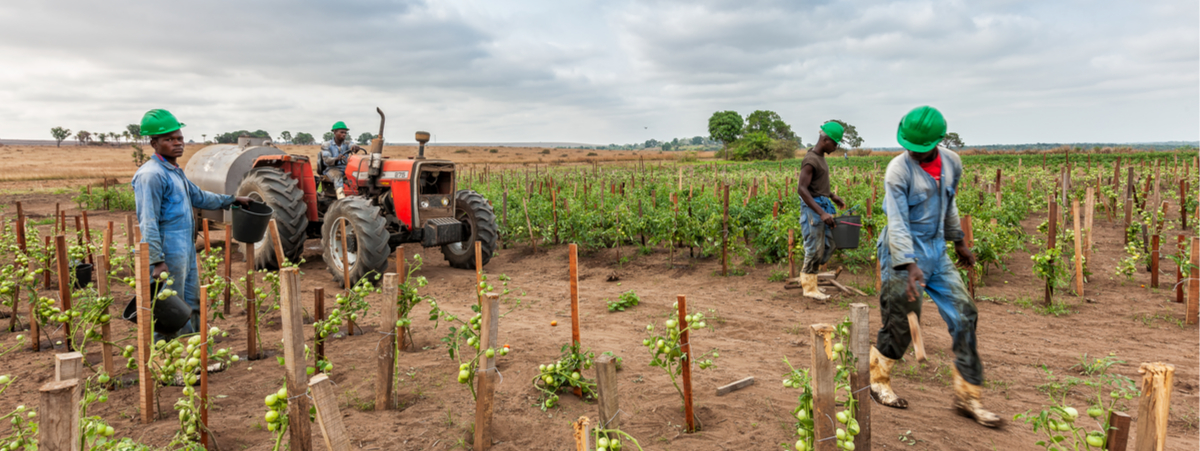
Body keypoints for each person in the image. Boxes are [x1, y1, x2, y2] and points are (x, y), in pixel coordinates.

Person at [869, 106, 1000, 427]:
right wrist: (909, 264)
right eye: (908, 145)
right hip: (902, 253)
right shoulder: (897, 171)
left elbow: (949, 203)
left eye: (919, 147)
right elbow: (897, 223)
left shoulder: (952, 162)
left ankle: (968, 396)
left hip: (936, 250)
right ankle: (878, 381)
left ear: (938, 142)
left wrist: (958, 242)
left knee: (965, 313)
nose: (912, 151)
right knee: (901, 321)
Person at [132, 109, 251, 338]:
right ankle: (169, 364)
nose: (177, 144)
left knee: (192, 303)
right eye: (169, 139)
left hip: (185, 246)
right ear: (154, 143)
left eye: (179, 138)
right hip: (167, 248)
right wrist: (157, 260)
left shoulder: (175, 171)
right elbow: (148, 222)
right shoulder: (151, 175)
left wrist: (233, 199)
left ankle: (196, 358)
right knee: (170, 307)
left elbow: (199, 196)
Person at [796, 121, 847, 300]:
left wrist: (833, 196)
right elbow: (802, 189)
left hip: (822, 203)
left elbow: (817, 185)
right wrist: (821, 212)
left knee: (828, 244)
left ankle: (813, 283)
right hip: (813, 208)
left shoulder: (819, 157)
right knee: (814, 248)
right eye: (835, 143)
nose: (836, 147)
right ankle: (809, 289)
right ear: (825, 140)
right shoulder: (810, 160)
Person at [320, 121, 364, 199]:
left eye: (345, 132)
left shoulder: (347, 143)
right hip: (332, 168)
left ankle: (361, 197)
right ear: (335, 132)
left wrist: (355, 147)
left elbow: (352, 145)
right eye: (342, 132)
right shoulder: (326, 145)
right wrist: (337, 159)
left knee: (360, 175)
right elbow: (326, 160)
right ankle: (341, 199)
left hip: (346, 168)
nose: (344, 134)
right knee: (337, 176)